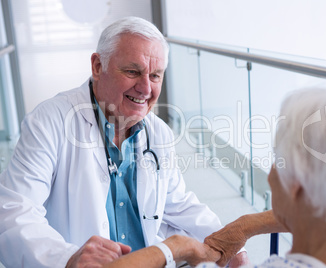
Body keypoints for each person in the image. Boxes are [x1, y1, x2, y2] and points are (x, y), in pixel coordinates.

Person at [0, 17, 246, 267]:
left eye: (155, 76)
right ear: (97, 66)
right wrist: (67, 258)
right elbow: (14, 211)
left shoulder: (158, 132)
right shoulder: (50, 121)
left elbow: (177, 204)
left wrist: (225, 241)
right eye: (132, 72)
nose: (146, 88)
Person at [200, 77, 326, 268]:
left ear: (298, 180)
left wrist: (171, 250)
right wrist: (247, 225)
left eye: (277, 159)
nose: (270, 175)